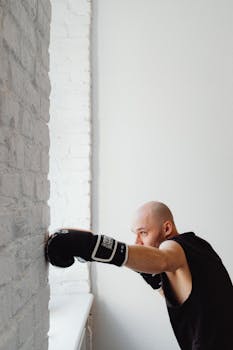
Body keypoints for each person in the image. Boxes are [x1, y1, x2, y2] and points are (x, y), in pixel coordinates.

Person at [46, 201, 233, 350]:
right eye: (135, 234)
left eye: (143, 233)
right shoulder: (197, 248)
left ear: (166, 229)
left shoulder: (174, 245)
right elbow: (185, 301)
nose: (137, 241)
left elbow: (161, 260)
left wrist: (90, 246)